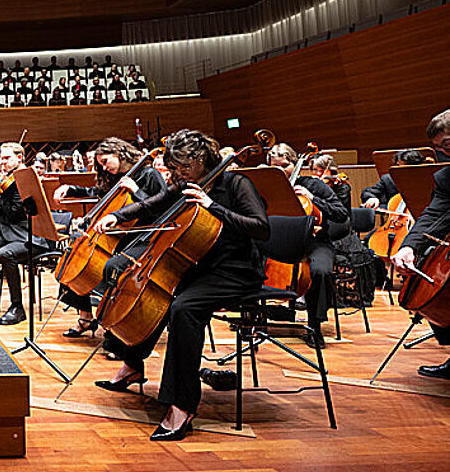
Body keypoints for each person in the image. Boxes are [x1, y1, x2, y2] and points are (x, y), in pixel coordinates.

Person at [93, 129, 270, 441]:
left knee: (183, 309)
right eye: (174, 169)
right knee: (152, 293)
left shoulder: (236, 184)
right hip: (200, 265)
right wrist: (117, 216)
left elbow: (261, 229)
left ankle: (182, 405)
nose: (178, 175)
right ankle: (132, 363)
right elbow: (153, 205)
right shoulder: (186, 183)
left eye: (184, 168)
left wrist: (213, 206)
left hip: (236, 271)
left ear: (202, 160)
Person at [53, 137, 166, 338]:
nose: (104, 168)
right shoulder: (115, 176)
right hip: (115, 235)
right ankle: (86, 318)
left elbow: (162, 210)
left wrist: (136, 191)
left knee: (111, 267)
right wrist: (72, 189)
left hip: (142, 236)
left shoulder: (150, 174)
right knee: (73, 259)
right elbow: (100, 194)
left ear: (119, 153)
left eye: (105, 162)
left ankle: (116, 329)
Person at [266, 143, 350, 347]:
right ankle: (254, 318)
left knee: (320, 271)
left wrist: (313, 199)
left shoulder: (314, 185)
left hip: (315, 242)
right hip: (277, 242)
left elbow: (341, 213)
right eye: (274, 167)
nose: (280, 171)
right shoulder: (268, 187)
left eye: (285, 165)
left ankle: (315, 326)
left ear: (295, 165)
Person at [391, 108, 450, 379]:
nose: (445, 154)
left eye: (447, 145)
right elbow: (434, 215)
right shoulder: (445, 177)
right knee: (430, 273)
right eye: (439, 149)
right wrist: (408, 247)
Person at [0, 142, 52, 327]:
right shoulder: (7, 178)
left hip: (28, 235)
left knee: (6, 254)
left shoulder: (26, 180)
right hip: (7, 233)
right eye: (1, 158)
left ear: (19, 158)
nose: (1, 162)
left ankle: (17, 307)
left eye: (6, 158)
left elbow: (14, 212)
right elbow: (2, 214)